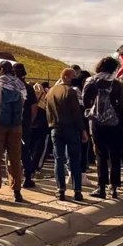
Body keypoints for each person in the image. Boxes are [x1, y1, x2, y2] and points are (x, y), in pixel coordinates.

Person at [81, 56, 123, 199]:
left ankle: (101, 187)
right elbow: (122, 105)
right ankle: (114, 187)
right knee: (115, 154)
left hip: (96, 123)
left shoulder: (91, 81)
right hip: (114, 123)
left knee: (100, 154)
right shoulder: (116, 84)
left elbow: (84, 101)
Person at [0, 60, 27, 203]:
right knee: (15, 158)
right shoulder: (21, 85)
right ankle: (17, 192)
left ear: (2, 69)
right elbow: (24, 103)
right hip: (16, 124)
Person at [46, 68, 88, 201]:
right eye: (73, 76)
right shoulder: (70, 92)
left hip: (55, 128)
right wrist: (83, 130)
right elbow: (76, 113)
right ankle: (77, 190)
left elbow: (48, 112)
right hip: (71, 128)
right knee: (74, 159)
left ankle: (60, 190)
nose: (75, 79)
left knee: (58, 159)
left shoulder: (51, 91)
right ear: (65, 76)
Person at [14, 63, 39, 188]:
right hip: (25, 123)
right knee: (25, 150)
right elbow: (34, 107)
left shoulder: (11, 86)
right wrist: (30, 121)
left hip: (11, 123)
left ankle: (13, 178)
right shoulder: (28, 88)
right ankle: (27, 177)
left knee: (11, 152)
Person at [26, 81, 51, 185]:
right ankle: (36, 169)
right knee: (40, 147)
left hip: (32, 122)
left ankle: (28, 168)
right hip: (43, 122)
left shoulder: (29, 93)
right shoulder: (46, 96)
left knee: (30, 146)